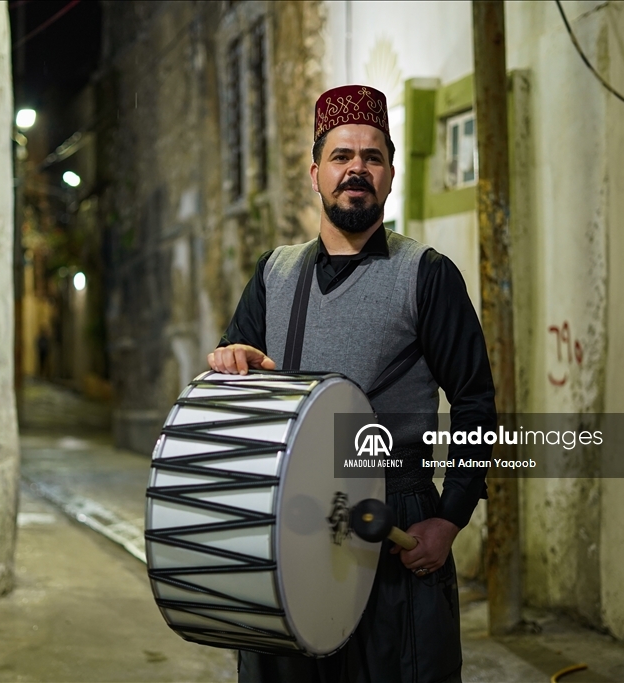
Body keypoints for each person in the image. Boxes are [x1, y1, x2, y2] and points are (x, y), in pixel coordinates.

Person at [207, 85, 497, 683]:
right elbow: (236, 374)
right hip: (284, 522)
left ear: (389, 176)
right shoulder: (274, 273)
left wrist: (450, 518)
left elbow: (474, 401)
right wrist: (230, 357)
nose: (356, 170)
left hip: (390, 518)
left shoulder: (427, 276)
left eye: (372, 157)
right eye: (341, 157)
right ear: (316, 174)